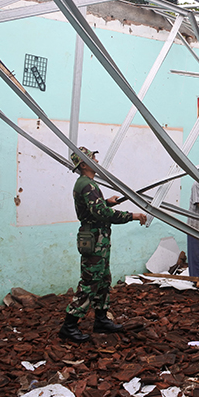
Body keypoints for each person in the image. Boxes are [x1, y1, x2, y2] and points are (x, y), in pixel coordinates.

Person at [59, 147, 147, 343]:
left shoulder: (88, 184)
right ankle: (69, 325)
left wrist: (107, 201)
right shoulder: (86, 185)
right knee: (90, 281)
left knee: (103, 279)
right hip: (95, 238)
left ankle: (101, 319)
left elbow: (96, 207)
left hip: (99, 237)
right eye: (93, 158)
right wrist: (131, 216)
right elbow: (101, 213)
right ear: (84, 164)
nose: (97, 161)